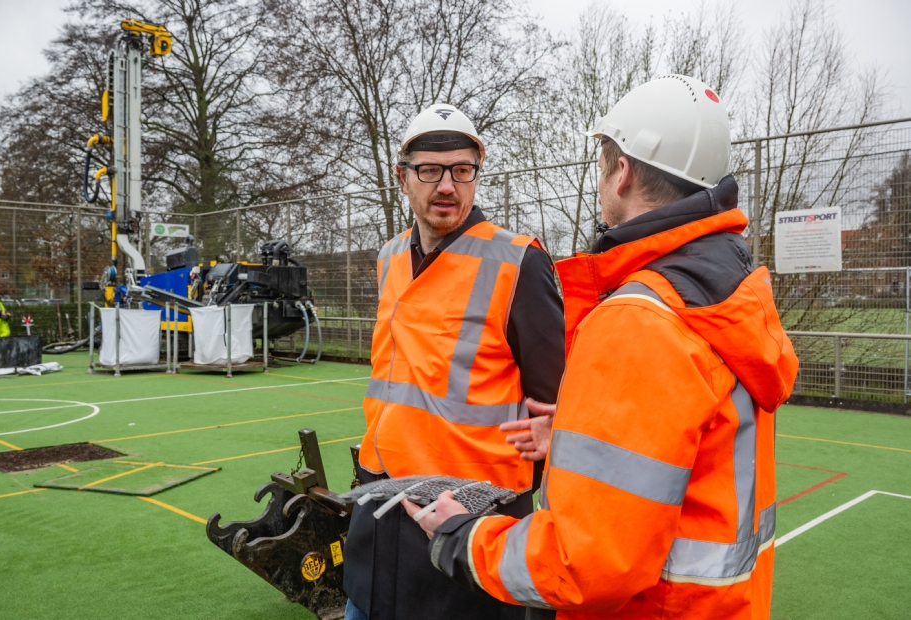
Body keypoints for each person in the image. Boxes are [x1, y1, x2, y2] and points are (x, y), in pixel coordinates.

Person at [406, 75, 799, 619]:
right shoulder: (725, 292)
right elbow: (678, 454)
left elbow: (582, 562)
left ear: (623, 173)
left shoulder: (640, 317)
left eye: (601, 161)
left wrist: (467, 538)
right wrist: (572, 439)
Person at [342, 103, 566, 620]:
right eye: (430, 171)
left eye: (462, 171)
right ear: (403, 178)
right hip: (380, 508)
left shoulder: (518, 262)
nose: (447, 186)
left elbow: (554, 409)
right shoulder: (389, 257)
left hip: (468, 521)